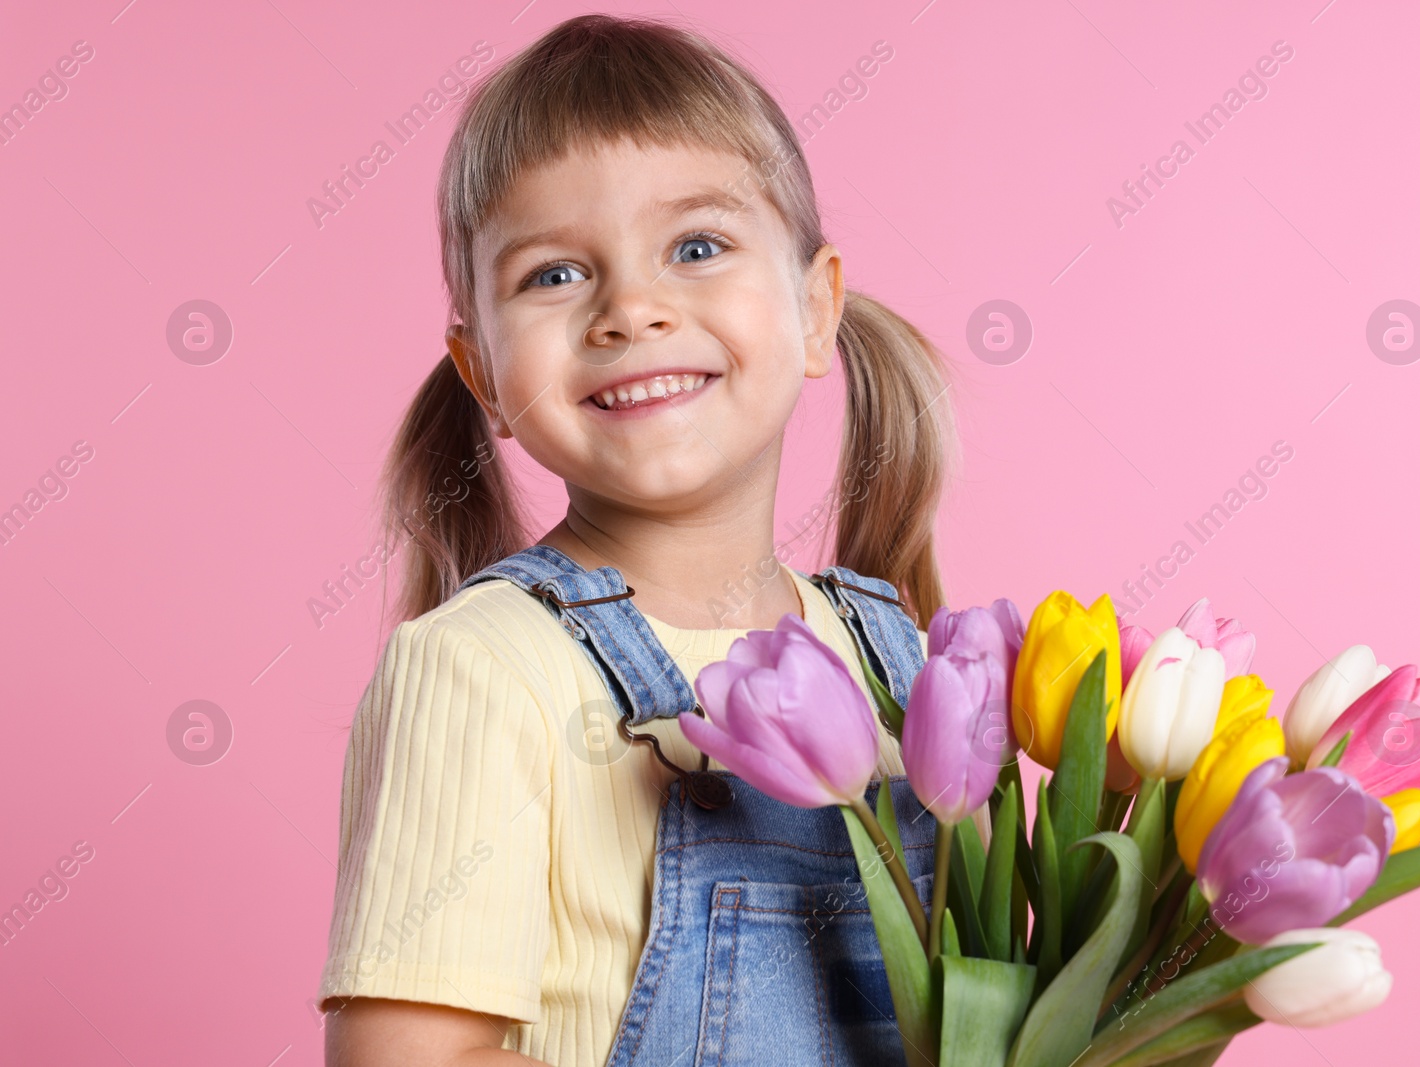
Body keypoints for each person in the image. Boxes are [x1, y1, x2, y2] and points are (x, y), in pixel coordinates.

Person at [318, 13, 976, 1066]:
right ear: (482, 370)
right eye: (553, 274)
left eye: (697, 247)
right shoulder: (483, 669)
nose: (631, 308)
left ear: (816, 310)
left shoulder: (897, 659)